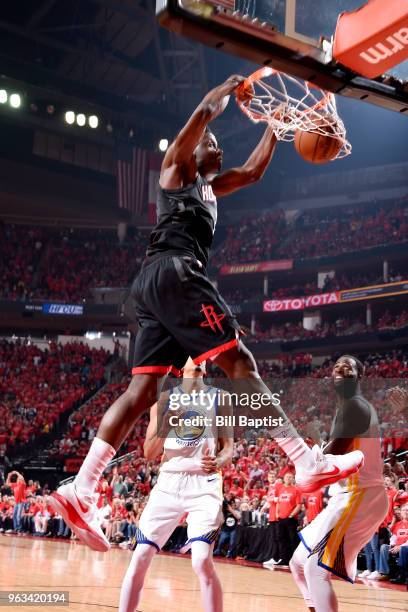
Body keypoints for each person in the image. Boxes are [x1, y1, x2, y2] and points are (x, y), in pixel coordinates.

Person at [50, 75, 364, 552]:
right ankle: (304, 460)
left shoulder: (213, 187)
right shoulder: (175, 172)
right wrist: (221, 93)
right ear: (195, 152)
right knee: (240, 364)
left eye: (215, 144)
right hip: (175, 272)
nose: (215, 147)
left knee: (142, 392)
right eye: (210, 143)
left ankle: (82, 488)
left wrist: (275, 125)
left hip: (155, 288)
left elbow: (255, 172)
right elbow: (200, 115)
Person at [118, 358, 232, 612]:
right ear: (182, 367)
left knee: (201, 561)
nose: (200, 358)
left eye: (203, 357)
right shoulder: (164, 400)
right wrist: (167, 422)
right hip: (170, 481)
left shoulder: (220, 397)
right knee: (140, 557)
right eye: (194, 356)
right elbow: (149, 452)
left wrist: (219, 460)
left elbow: (229, 449)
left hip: (204, 483)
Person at [290, 355, 389, 612]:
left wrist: (308, 458)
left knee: (315, 567)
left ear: (360, 376)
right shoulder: (348, 408)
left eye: (349, 365)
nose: (341, 367)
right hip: (347, 496)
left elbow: (328, 462)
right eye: (337, 365)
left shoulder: (355, 406)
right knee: (298, 563)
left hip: (361, 495)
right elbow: (332, 456)